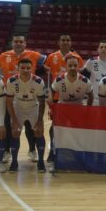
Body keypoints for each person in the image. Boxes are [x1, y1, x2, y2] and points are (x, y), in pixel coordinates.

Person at [0, 35, 47, 163]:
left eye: (21, 42)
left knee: (30, 126)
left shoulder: (34, 55)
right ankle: (7, 151)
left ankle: (32, 150)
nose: (18, 43)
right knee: (8, 124)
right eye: (16, 41)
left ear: (25, 43)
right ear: (12, 43)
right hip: (10, 96)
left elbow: (48, 62)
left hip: (29, 95)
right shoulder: (3, 56)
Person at [44, 34, 84, 163]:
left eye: (67, 40)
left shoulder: (77, 57)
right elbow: (47, 72)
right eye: (63, 40)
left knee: (75, 126)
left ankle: (74, 151)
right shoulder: (52, 57)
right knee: (55, 126)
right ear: (58, 42)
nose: (65, 42)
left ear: (71, 42)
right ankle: (53, 151)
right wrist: (49, 94)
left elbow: (80, 76)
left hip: (73, 98)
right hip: (56, 98)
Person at [50, 54, 94, 172]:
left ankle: (79, 157)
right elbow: (51, 91)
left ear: (79, 66)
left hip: (78, 108)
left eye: (75, 65)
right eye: (70, 65)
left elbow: (91, 95)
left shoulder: (84, 80)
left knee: (79, 134)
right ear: (66, 66)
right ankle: (53, 156)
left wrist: (88, 110)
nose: (73, 67)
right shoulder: (59, 79)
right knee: (56, 132)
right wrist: (52, 107)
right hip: (63, 108)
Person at [5, 58, 46, 173]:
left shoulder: (38, 81)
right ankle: (14, 162)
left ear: (32, 69)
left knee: (39, 132)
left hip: (33, 108)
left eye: (28, 68)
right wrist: (14, 120)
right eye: (22, 68)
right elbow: (8, 101)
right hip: (18, 108)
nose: (25, 70)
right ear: (17, 68)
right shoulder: (11, 81)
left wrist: (39, 120)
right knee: (15, 132)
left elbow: (42, 102)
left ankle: (41, 162)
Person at [81, 40, 106, 105]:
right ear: (98, 50)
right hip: (94, 99)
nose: (103, 49)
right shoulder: (91, 62)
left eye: (105, 47)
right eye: (101, 47)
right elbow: (82, 76)